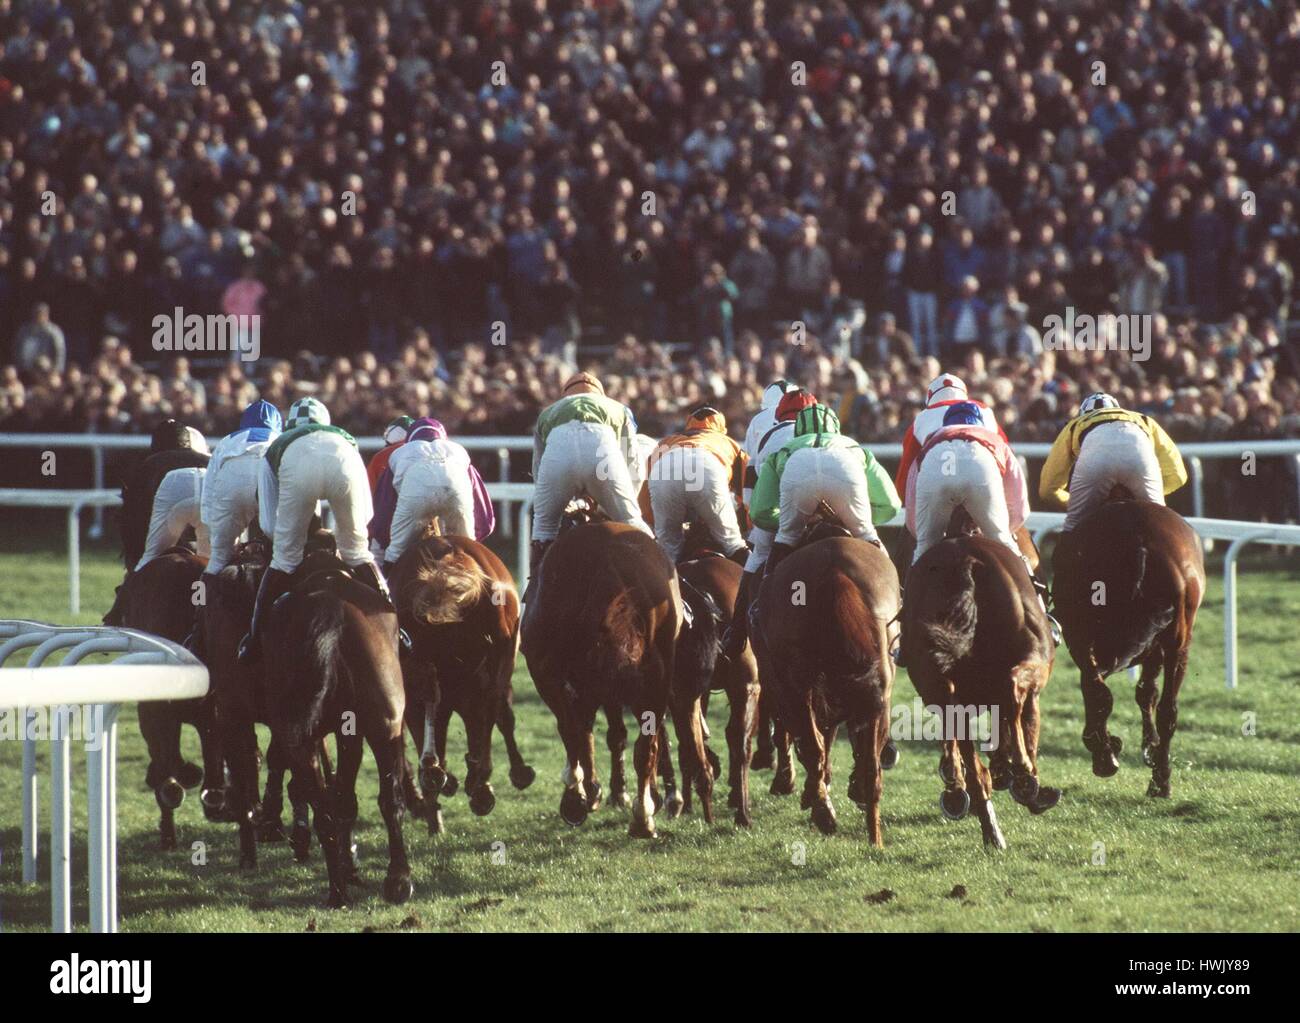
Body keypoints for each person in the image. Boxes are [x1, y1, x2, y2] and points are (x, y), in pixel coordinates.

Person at [238, 397, 394, 663]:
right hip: (344, 461)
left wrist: (291, 543)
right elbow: (367, 514)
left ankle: (253, 639)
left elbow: (268, 524)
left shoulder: (279, 444)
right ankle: (395, 627)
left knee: (284, 560)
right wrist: (348, 541)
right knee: (358, 554)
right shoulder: (344, 438)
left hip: (298, 469)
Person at [749, 403, 901, 576]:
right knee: (866, 534)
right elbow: (890, 505)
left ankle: (761, 599)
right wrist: (846, 519)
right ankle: (898, 597)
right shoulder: (856, 448)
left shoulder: (782, 451)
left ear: (798, 430)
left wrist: (803, 521)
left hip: (798, 463)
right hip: (844, 461)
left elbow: (760, 512)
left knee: (786, 537)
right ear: (835, 428)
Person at [722, 387, 818, 658]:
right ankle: (897, 609)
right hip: (829, 502)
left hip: (781, 509)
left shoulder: (769, 435)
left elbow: (751, 489)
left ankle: (737, 630)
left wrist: (758, 521)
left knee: (758, 555)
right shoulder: (826, 428)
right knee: (866, 538)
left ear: (777, 416)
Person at [528, 371, 651, 582]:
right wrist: (618, 506)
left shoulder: (547, 413)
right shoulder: (618, 408)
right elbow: (634, 464)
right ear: (600, 394)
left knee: (543, 527)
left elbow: (539, 470)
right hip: (603, 459)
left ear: (565, 395)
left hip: (558, 462)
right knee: (631, 521)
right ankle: (664, 576)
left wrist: (553, 502)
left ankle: (533, 593)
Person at [103, 419, 211, 626]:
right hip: (210, 506)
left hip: (173, 512)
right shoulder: (209, 459)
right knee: (222, 566)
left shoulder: (150, 464)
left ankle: (116, 614)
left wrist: (136, 563)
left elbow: (133, 521)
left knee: (146, 561)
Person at [1039, 392, 1188, 530]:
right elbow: (1178, 475)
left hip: (1095, 465)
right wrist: (1143, 494)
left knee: (1073, 526)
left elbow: (1047, 489)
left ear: (1082, 414)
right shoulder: (1143, 419)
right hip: (1140, 460)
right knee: (1158, 523)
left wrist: (1077, 503)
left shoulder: (1075, 424)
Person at [382, 417, 494, 569]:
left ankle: (385, 591)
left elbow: (384, 505)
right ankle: (490, 591)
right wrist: (476, 536)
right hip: (455, 490)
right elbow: (483, 512)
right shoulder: (458, 450)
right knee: (469, 550)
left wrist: (383, 538)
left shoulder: (399, 453)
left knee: (394, 553)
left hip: (416, 495)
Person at [646, 406, 748, 565]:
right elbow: (745, 493)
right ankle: (758, 587)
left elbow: (648, 492)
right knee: (732, 543)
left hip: (664, 468)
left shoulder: (666, 440)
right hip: (707, 464)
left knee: (668, 549)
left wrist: (654, 523)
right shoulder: (729, 442)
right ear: (721, 427)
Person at [200, 399, 281, 576]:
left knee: (216, 561)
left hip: (231, 487)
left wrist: (212, 529)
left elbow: (209, 488)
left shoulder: (227, 440)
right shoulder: (281, 440)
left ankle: (198, 600)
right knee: (283, 558)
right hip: (268, 485)